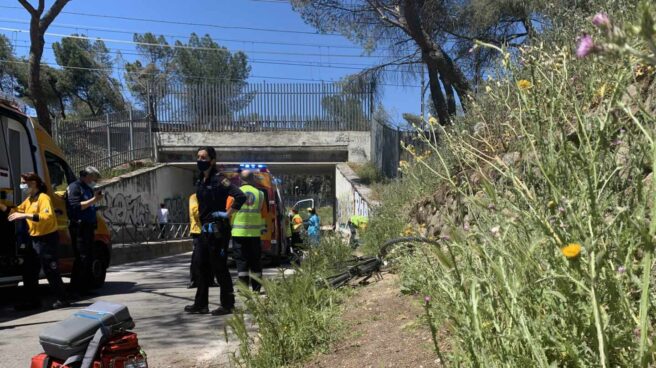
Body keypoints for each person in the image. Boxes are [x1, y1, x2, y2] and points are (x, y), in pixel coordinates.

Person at [185, 146, 246, 316]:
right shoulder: (199, 180)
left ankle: (228, 305)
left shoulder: (220, 179)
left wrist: (227, 213)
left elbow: (240, 196)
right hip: (204, 230)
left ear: (212, 160)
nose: (199, 160)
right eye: (198, 157)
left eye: (203, 157)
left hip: (218, 229)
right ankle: (201, 304)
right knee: (200, 266)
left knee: (219, 267)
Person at [0, 173, 70, 310]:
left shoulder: (43, 198)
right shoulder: (30, 199)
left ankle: (63, 299)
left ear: (33, 183)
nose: (22, 186)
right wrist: (2, 206)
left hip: (47, 239)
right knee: (29, 271)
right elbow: (15, 210)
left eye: (23, 183)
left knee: (51, 269)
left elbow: (47, 216)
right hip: (34, 239)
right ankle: (32, 301)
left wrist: (25, 215)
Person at [66, 166, 103, 292]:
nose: (94, 179)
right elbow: (75, 206)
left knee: (88, 257)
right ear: (86, 175)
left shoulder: (88, 188)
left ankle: (85, 286)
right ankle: (75, 288)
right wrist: (94, 200)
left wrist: (96, 206)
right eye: (93, 177)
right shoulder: (75, 187)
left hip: (88, 227)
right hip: (79, 227)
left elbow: (88, 206)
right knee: (81, 257)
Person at [231, 170, 267, 293]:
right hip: (254, 234)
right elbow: (263, 213)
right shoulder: (260, 194)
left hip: (238, 233)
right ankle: (256, 288)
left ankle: (243, 287)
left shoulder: (234, 193)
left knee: (241, 262)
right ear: (253, 179)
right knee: (255, 261)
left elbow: (230, 212)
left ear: (241, 180)